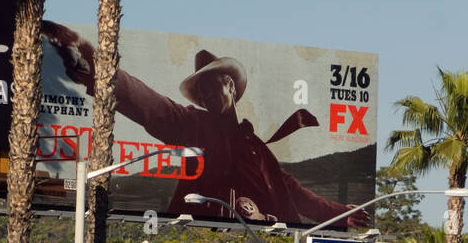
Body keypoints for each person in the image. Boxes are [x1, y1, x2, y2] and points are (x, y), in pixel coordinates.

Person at [43, 21, 371, 229]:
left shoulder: (255, 144)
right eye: (201, 91)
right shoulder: (193, 123)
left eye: (212, 84)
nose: (207, 94)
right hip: (206, 236)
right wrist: (94, 67)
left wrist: (338, 213)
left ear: (230, 84)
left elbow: (294, 192)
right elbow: (148, 104)